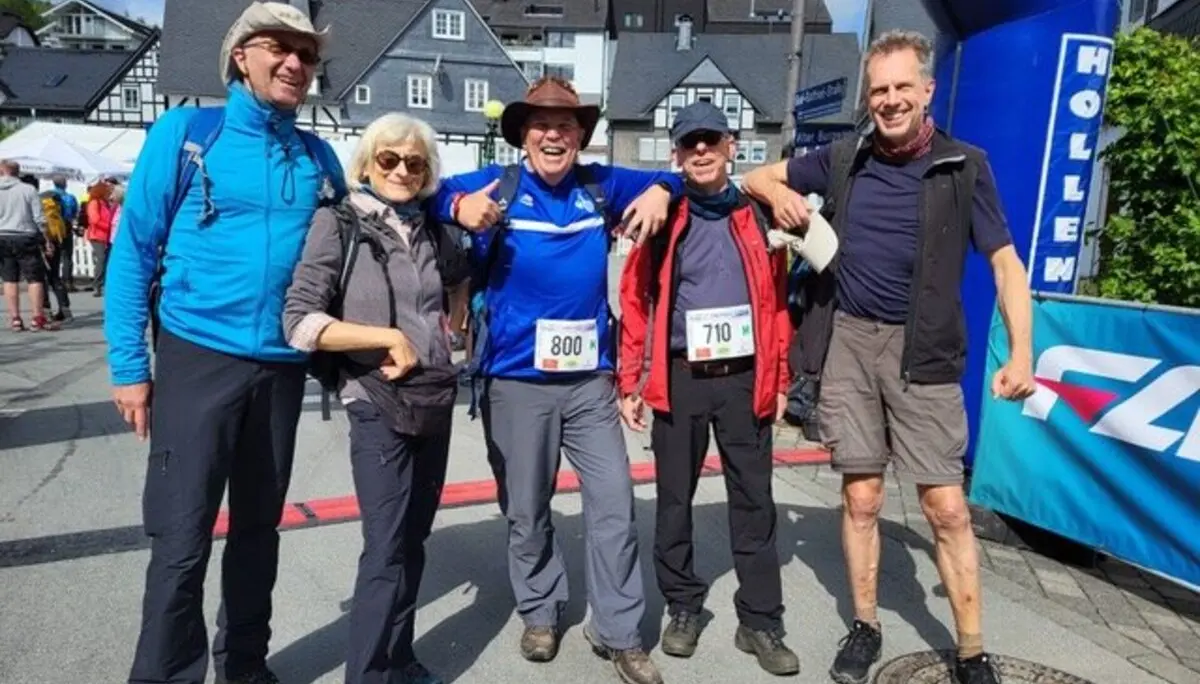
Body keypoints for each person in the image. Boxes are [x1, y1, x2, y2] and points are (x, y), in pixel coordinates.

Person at [741, 29, 1035, 684]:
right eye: (880, 89)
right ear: (868, 97)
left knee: (946, 507)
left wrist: (1021, 353)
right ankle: (865, 625)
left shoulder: (966, 166)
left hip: (924, 348)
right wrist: (778, 192)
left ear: (928, 91)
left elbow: (1007, 264)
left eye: (904, 87)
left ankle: (971, 649)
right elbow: (755, 174)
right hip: (849, 341)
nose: (892, 100)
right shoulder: (846, 158)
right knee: (863, 497)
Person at [104, 3, 344, 684]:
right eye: (280, 48)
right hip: (196, 358)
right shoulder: (187, 134)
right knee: (181, 539)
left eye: (307, 53)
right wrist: (129, 366)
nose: (296, 63)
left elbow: (361, 243)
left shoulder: (318, 158)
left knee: (257, 535)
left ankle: (245, 666)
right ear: (242, 56)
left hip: (281, 369)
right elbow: (133, 255)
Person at [436, 76, 683, 684]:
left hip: (588, 382)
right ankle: (541, 611)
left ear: (580, 136)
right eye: (541, 125)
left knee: (615, 506)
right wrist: (456, 206)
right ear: (523, 134)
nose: (554, 135)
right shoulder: (498, 182)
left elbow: (684, 179)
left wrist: (659, 190)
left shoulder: (600, 183)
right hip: (515, 379)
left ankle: (620, 632)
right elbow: (420, 190)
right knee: (527, 509)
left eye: (565, 126)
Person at [616, 102, 799, 676]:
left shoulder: (757, 213)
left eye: (710, 140)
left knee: (754, 501)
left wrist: (783, 375)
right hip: (681, 377)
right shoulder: (663, 215)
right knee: (674, 503)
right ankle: (683, 606)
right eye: (689, 142)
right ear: (676, 153)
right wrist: (630, 380)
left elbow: (777, 305)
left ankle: (761, 621)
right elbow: (635, 299)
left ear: (730, 145)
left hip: (745, 378)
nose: (700, 151)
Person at [283, 113, 465, 684]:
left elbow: (461, 276)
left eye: (415, 162)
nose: (403, 170)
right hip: (375, 400)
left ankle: (401, 660)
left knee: (414, 541)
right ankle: (367, 674)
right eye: (389, 159)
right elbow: (300, 321)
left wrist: (453, 319)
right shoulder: (338, 224)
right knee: (385, 548)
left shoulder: (433, 230)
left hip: (432, 397)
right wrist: (386, 337)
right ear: (366, 164)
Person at [0, 161, 51, 331]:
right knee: (34, 278)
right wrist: (47, 239)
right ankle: (37, 317)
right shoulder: (28, 189)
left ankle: (15, 318)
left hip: (3, 235)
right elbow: (39, 217)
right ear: (18, 172)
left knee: (9, 278)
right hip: (25, 235)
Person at [36, 184, 72, 322]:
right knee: (55, 277)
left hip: (41, 241)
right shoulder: (57, 205)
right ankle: (65, 309)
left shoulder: (39, 204)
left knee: (41, 278)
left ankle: (46, 310)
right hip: (56, 240)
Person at [48, 175, 79, 291]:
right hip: (66, 226)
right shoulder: (70, 197)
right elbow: (75, 212)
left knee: (54, 256)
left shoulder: (48, 196)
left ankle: (54, 282)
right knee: (67, 256)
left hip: (53, 228)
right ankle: (68, 282)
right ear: (65, 184)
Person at [85, 180, 115, 297]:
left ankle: (103, 284)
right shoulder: (94, 203)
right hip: (97, 235)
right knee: (101, 259)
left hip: (105, 235)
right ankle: (97, 284)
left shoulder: (104, 203)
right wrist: (109, 226)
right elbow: (95, 220)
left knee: (106, 259)